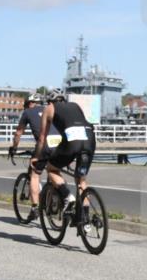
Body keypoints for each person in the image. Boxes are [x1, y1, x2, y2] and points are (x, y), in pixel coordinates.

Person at [33, 88, 96, 227]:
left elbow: (42, 138)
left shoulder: (49, 108)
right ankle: (84, 217)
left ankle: (68, 197)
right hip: (90, 139)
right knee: (81, 180)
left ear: (49, 101)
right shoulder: (75, 105)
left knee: (51, 169)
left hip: (72, 141)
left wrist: (37, 156)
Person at [9, 93, 61, 221]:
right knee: (54, 171)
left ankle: (34, 208)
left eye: (26, 105)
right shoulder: (48, 109)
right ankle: (56, 197)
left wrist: (14, 148)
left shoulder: (27, 112)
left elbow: (18, 132)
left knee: (34, 173)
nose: (26, 107)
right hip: (59, 143)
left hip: (45, 144)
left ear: (30, 103)